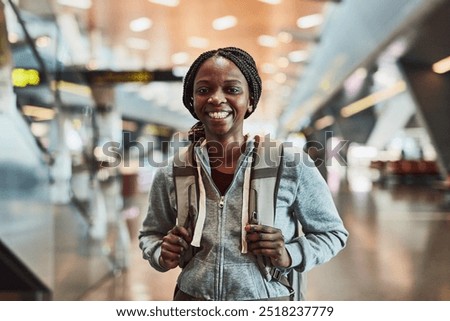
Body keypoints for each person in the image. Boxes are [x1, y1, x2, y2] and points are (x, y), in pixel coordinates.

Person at [139, 47, 348, 301]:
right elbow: (151, 234)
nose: (216, 98)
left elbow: (332, 234)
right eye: (204, 90)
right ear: (192, 100)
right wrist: (162, 252)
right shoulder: (172, 171)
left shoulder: (290, 164)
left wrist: (288, 254)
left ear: (250, 100)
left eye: (232, 89)